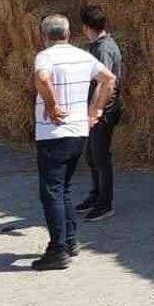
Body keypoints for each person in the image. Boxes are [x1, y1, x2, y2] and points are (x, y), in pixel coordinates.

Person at [31, 14, 117, 271]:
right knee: (64, 188)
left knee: (51, 191)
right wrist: (96, 110)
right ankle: (69, 241)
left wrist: (52, 105)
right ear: (68, 34)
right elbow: (109, 80)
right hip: (79, 132)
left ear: (44, 35)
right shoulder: (83, 56)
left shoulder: (45, 56)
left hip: (53, 133)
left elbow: (42, 78)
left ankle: (58, 250)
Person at [76, 5, 123, 222]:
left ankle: (105, 204)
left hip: (104, 111)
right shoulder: (97, 46)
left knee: (101, 158)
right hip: (97, 109)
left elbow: (106, 83)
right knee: (92, 156)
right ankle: (96, 195)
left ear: (86, 27)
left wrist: (96, 111)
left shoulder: (103, 49)